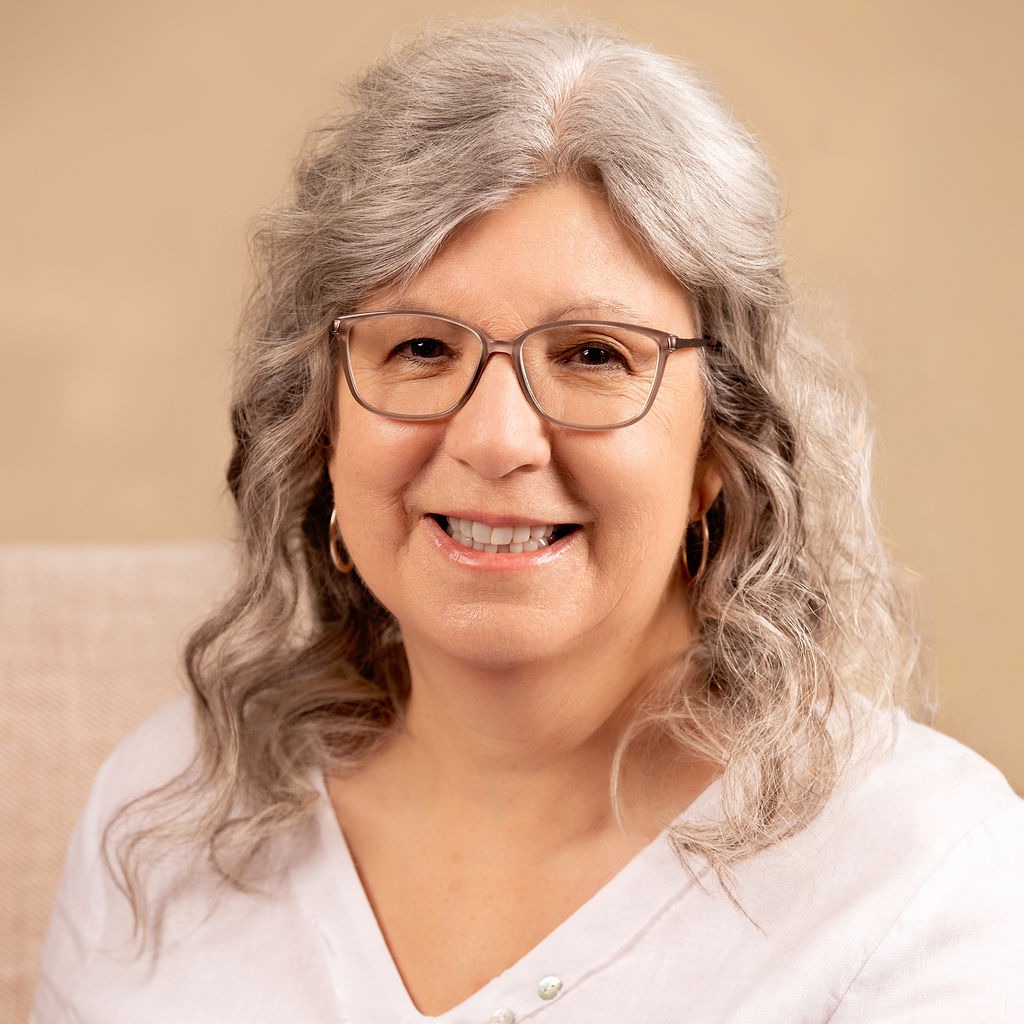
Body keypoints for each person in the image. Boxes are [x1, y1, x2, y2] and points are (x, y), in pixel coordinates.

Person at [33, 16, 1023, 1023]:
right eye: (421, 348)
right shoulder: (164, 811)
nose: (495, 439)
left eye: (594, 354)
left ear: (719, 447)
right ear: (320, 427)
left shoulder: (924, 881)